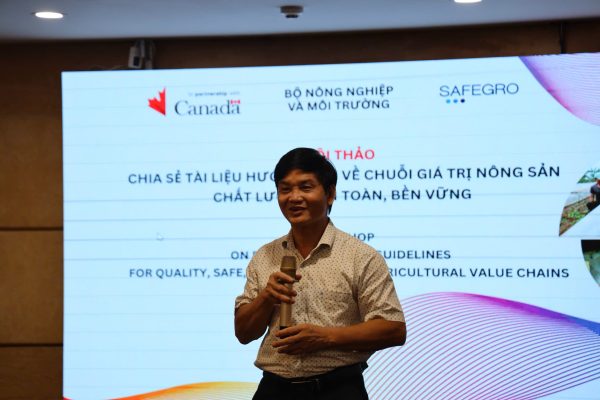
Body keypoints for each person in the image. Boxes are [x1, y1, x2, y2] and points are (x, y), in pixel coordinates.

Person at [234, 147, 406, 400]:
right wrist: (266, 297)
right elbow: (243, 333)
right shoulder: (265, 256)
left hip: (338, 388)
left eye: (305, 187)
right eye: (285, 189)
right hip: (274, 389)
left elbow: (393, 329)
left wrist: (325, 337)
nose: (294, 197)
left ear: (330, 194)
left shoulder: (360, 256)